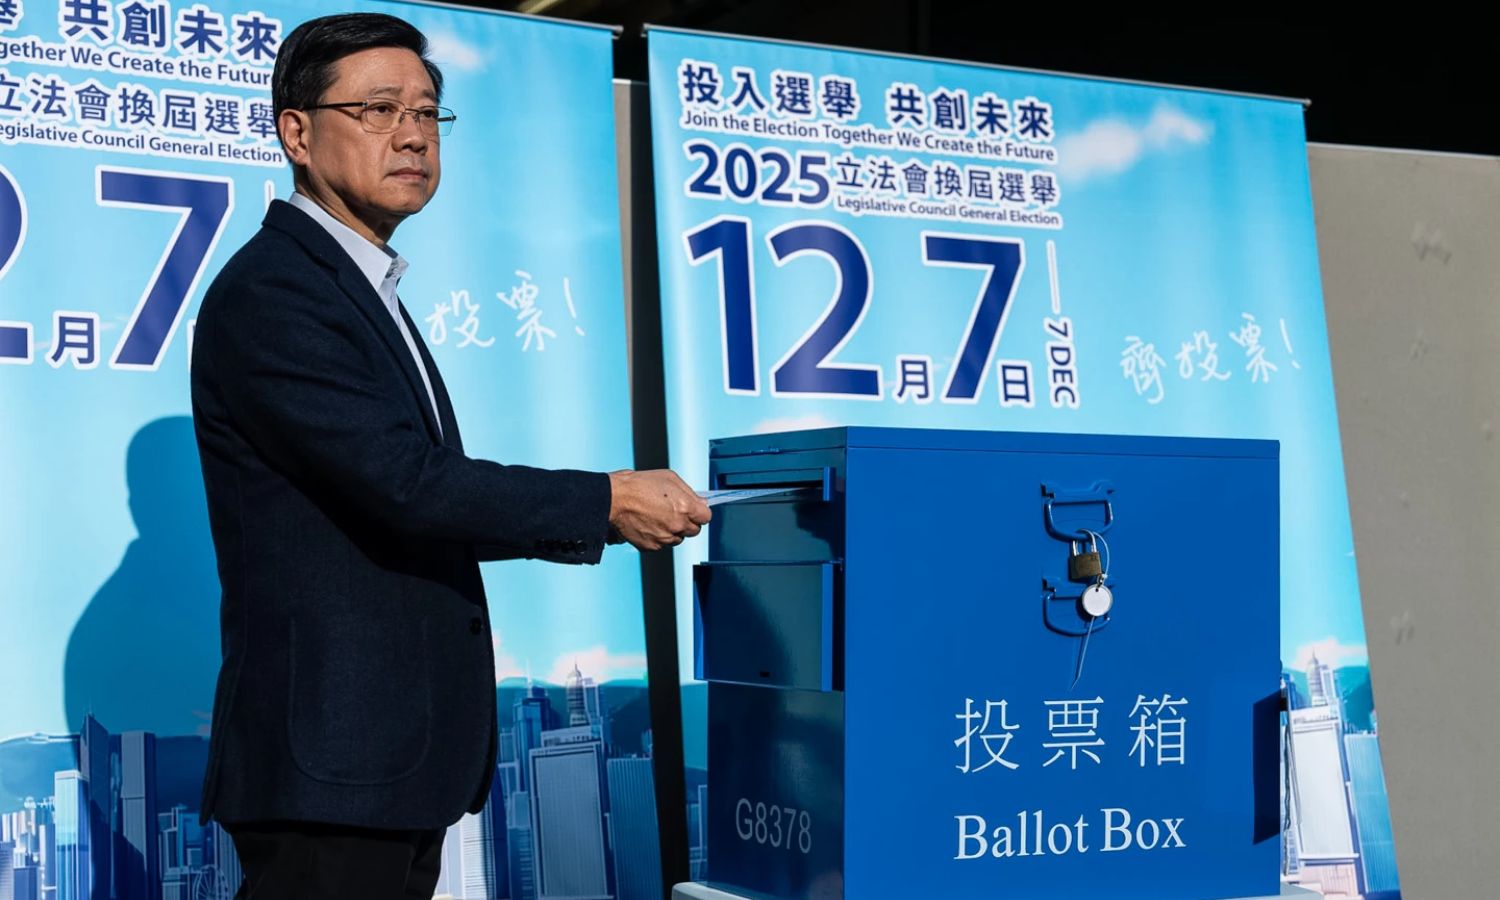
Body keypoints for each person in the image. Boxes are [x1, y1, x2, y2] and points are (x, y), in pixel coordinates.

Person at [189, 12, 710, 898]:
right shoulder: (276, 291)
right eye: (378, 109)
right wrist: (608, 499)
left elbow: (403, 500)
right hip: (331, 770)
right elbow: (406, 484)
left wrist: (603, 510)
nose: (412, 135)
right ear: (297, 134)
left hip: (385, 764)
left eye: (428, 113)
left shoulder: (361, 285)